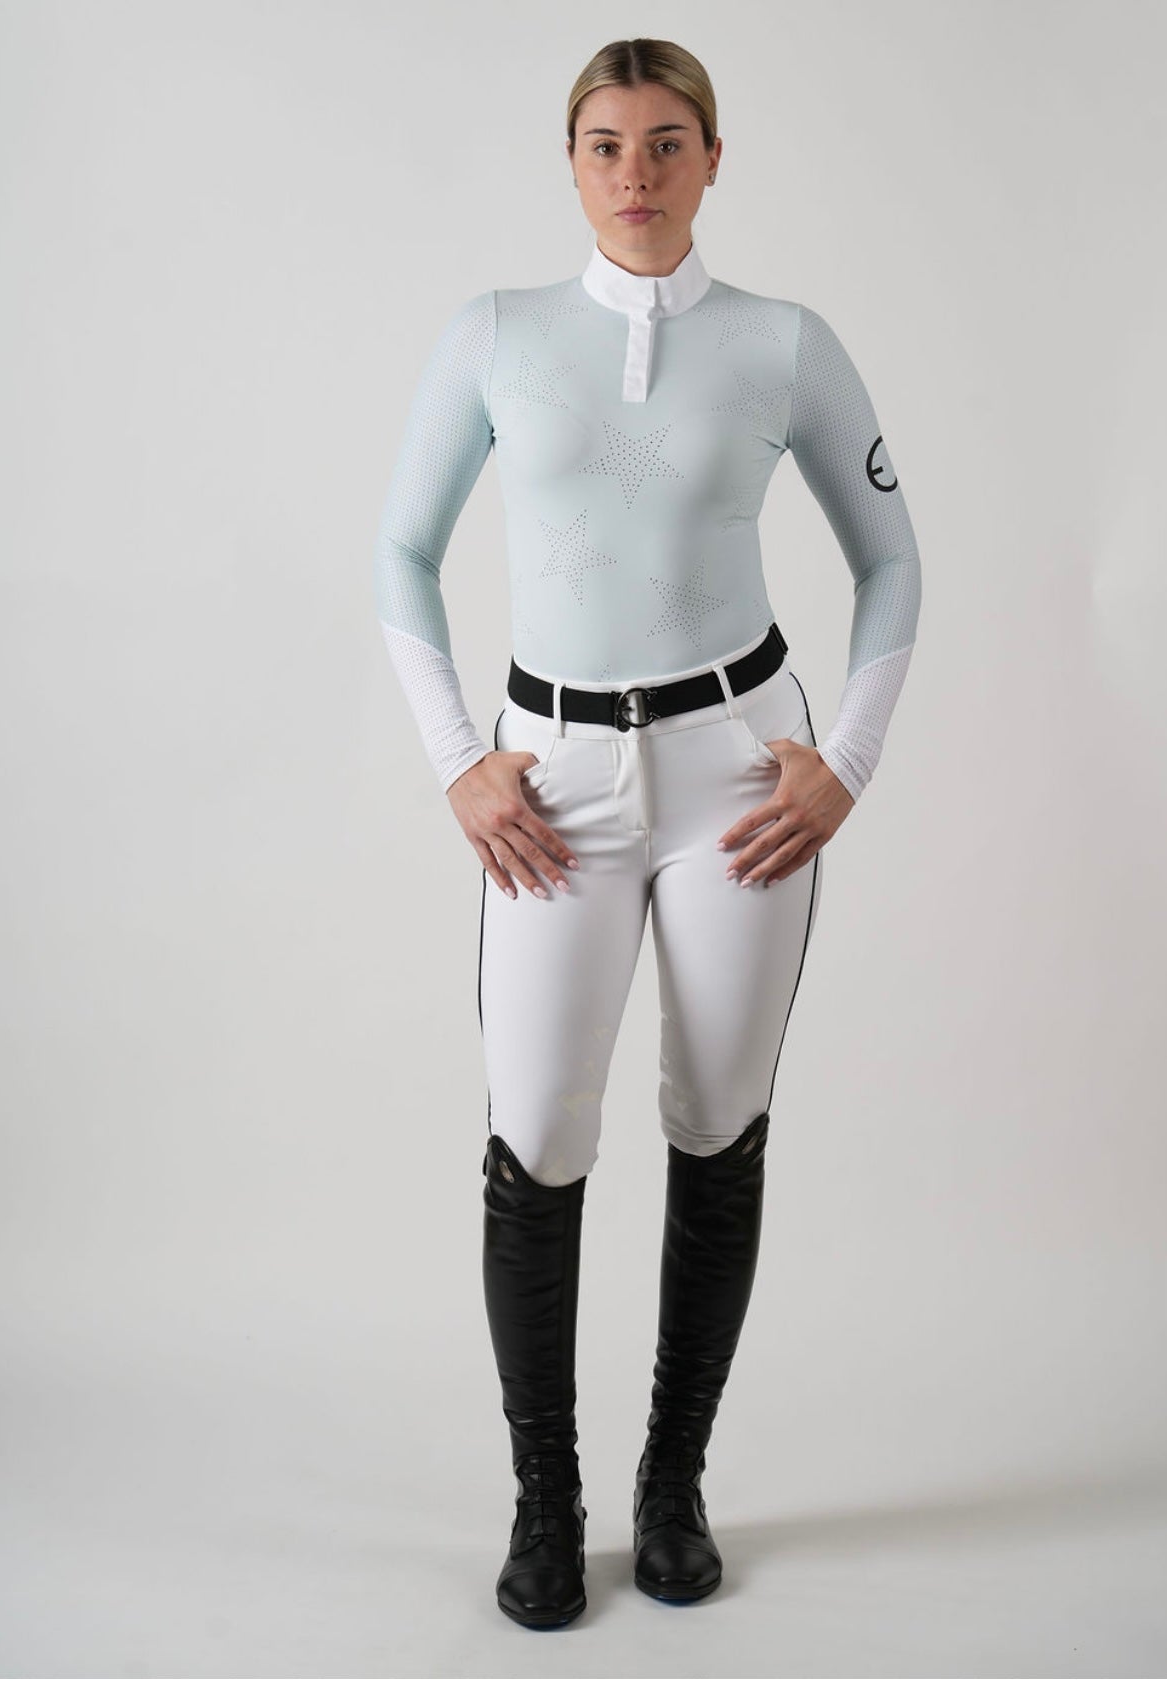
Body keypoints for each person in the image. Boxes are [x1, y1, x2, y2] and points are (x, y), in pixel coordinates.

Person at [374, 37, 922, 1629]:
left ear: (713, 158)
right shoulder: (496, 334)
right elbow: (401, 553)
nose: (636, 172)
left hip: (736, 775)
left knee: (719, 1120)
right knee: (539, 1133)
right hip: (553, 787)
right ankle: (545, 1504)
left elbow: (894, 560)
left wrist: (846, 762)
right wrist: (461, 762)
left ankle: (670, 1487)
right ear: (571, 159)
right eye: (606, 142)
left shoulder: (783, 343)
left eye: (668, 141)